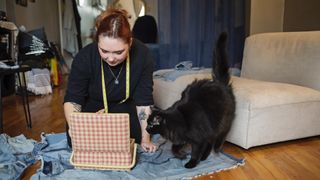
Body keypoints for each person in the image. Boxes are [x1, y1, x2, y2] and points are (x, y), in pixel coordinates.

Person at [63, 8, 157, 153]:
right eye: (104, 51)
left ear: (130, 43)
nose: (111, 58)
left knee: (135, 136)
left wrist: (146, 139)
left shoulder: (143, 55)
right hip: (93, 108)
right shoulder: (84, 57)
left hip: (124, 106)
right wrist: (77, 127)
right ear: (97, 42)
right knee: (74, 139)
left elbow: (144, 101)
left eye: (119, 52)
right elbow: (74, 99)